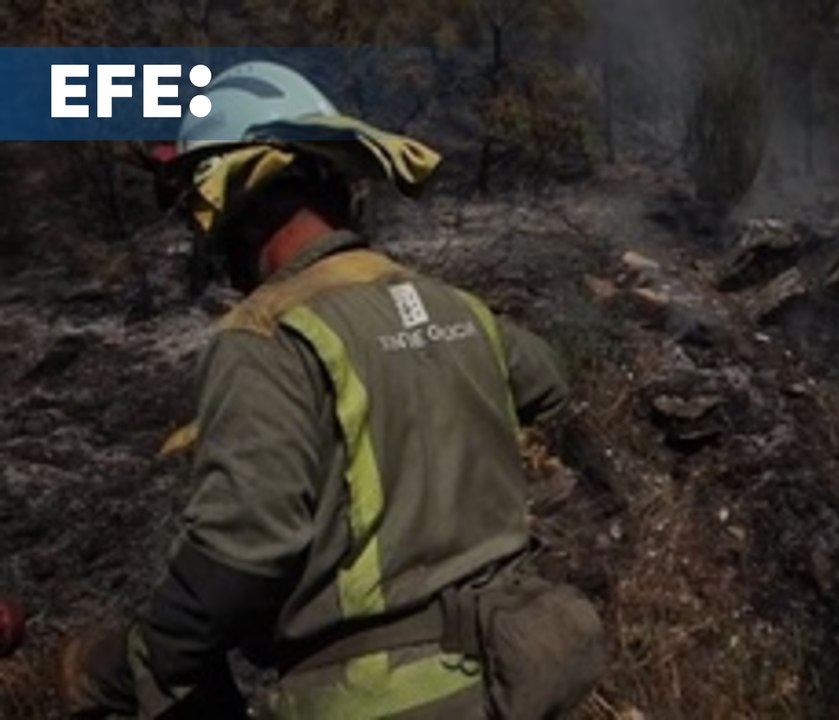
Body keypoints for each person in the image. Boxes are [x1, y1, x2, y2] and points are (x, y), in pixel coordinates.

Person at [57, 61, 605, 719]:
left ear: (239, 204)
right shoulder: (455, 306)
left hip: (377, 699)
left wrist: (140, 662)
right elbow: (546, 382)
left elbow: (241, 551)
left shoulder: (264, 337)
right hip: (507, 681)